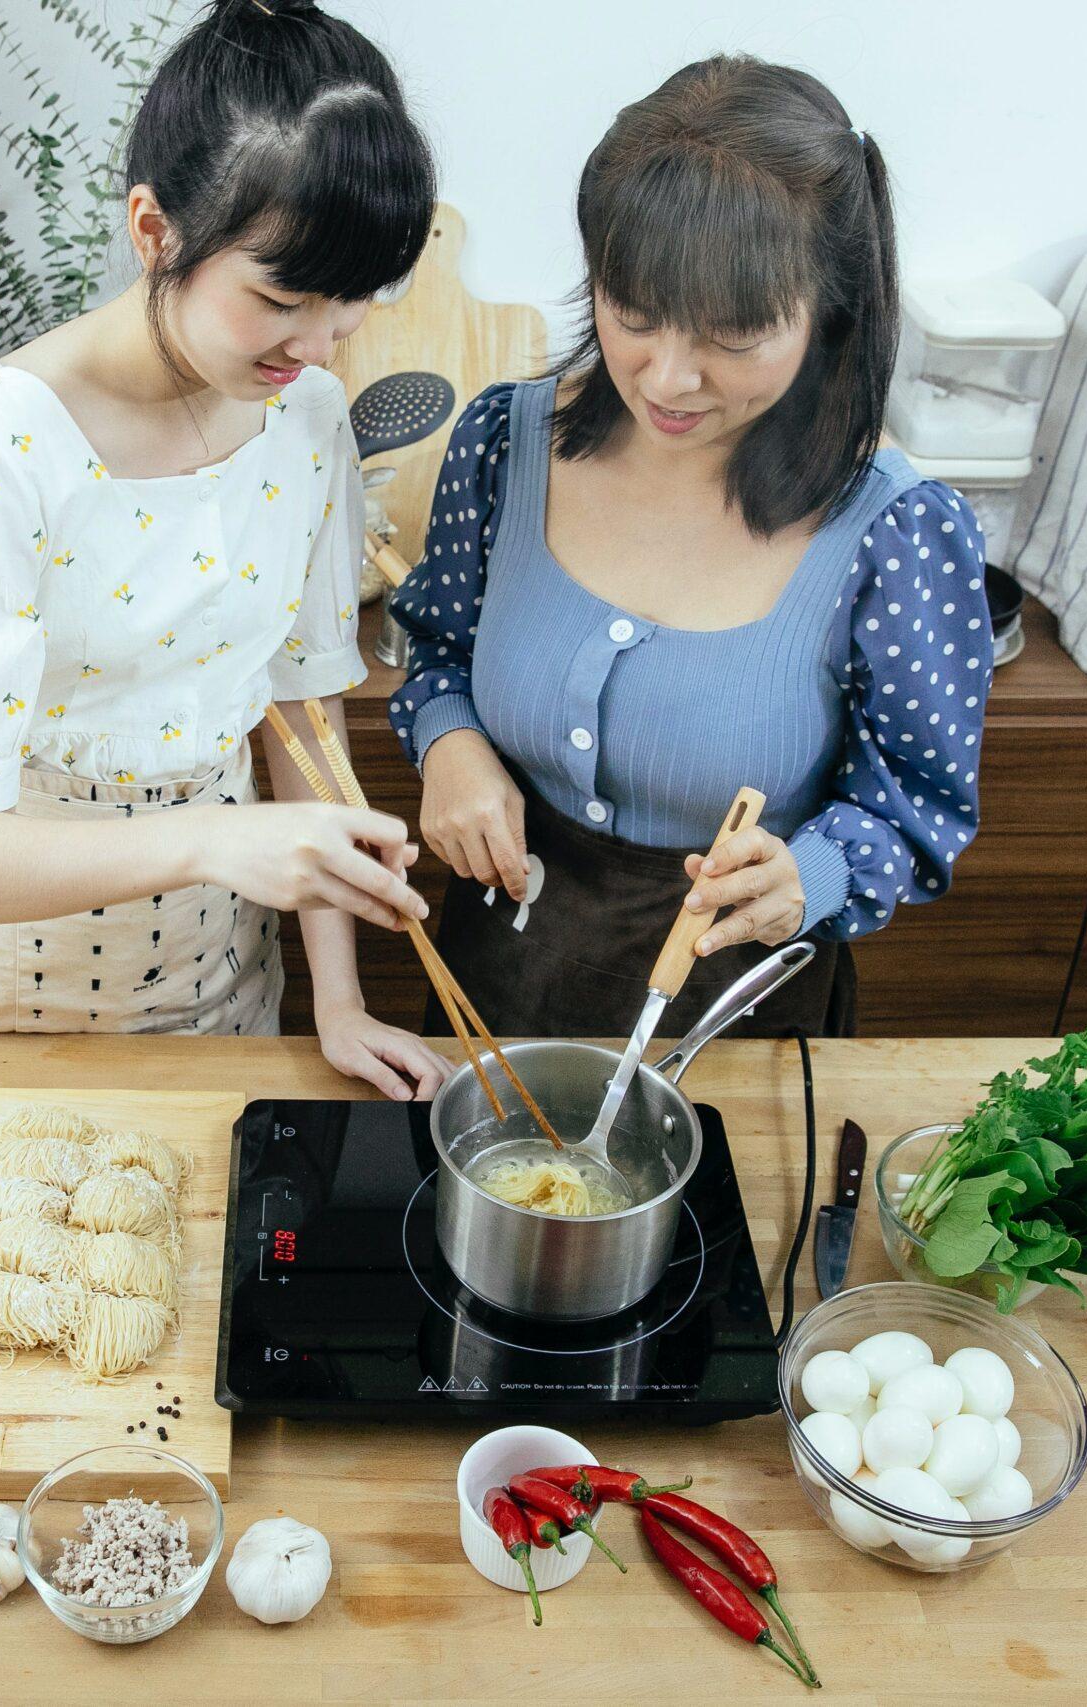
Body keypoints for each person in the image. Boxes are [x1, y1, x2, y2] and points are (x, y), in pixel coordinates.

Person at [0, 0, 449, 1099]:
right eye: (280, 298)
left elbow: (302, 713)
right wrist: (220, 843)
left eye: (350, 304)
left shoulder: (303, 417)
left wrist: (339, 999)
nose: (317, 345)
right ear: (153, 230)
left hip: (216, 971)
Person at [387, 55, 992, 1040]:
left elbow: (915, 811)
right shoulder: (504, 444)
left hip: (731, 1020)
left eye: (733, 334)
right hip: (488, 988)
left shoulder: (898, 532)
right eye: (633, 313)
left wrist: (815, 872)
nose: (667, 378)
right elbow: (437, 650)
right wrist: (449, 745)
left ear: (828, 314)